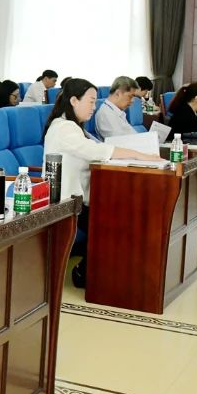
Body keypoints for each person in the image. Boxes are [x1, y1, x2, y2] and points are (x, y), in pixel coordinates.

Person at [44, 78, 164, 287]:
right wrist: (139, 155)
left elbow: (97, 147)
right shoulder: (64, 128)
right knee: (112, 221)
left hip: (82, 197)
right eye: (91, 101)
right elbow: (98, 150)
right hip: (67, 201)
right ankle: (85, 274)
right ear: (74, 101)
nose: (94, 107)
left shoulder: (74, 126)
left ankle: (106, 272)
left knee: (119, 214)